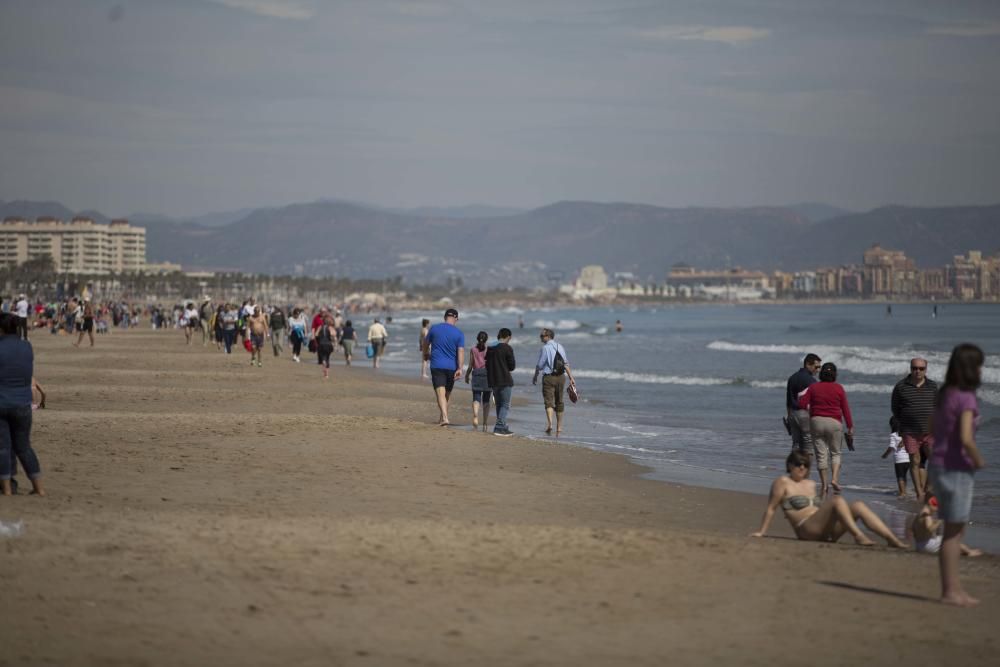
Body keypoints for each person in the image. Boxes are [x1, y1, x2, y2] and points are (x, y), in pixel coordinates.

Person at [928, 343, 988, 607]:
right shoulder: (966, 397)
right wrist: (979, 460)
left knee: (951, 531)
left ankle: (952, 589)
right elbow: (966, 438)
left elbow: (930, 426)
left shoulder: (944, 394)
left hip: (938, 464)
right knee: (954, 533)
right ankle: (951, 591)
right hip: (956, 468)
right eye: (978, 364)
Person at [751, 451, 905, 547]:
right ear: (790, 465)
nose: (802, 468)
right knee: (836, 500)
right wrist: (761, 532)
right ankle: (859, 536)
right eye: (798, 464)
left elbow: (821, 510)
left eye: (805, 465)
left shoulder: (811, 484)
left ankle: (892, 539)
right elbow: (771, 508)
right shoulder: (782, 482)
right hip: (806, 530)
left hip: (825, 530)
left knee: (858, 505)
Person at [0, 313, 45, 496]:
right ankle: (39, 488)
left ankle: (7, 489)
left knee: (3, 447)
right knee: (24, 447)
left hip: (2, 402)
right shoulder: (27, 346)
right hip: (23, 404)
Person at [798, 362, 852, 496]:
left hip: (816, 422)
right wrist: (850, 426)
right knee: (835, 453)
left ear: (821, 374)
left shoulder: (813, 387)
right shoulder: (839, 388)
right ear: (835, 374)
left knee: (821, 455)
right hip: (834, 423)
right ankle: (834, 479)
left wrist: (812, 407)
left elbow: (802, 403)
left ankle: (824, 485)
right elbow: (845, 409)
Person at [891, 357, 937, 500]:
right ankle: (919, 493)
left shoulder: (933, 386)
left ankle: (928, 488)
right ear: (910, 368)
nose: (917, 371)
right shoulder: (901, 386)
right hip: (909, 431)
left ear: (925, 370)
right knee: (915, 461)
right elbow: (895, 407)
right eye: (914, 368)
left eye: (921, 368)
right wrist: (903, 423)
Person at [422, 308, 465, 426]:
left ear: (444, 317)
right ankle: (443, 418)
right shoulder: (459, 333)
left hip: (437, 365)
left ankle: (444, 418)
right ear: (456, 318)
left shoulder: (434, 328)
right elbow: (461, 352)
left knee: (440, 394)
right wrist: (460, 368)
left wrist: (425, 354)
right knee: (447, 394)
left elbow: (425, 344)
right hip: (452, 367)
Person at [532, 328, 576, 436]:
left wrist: (536, 375)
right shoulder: (560, 346)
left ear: (548, 336)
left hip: (549, 377)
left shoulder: (545, 348)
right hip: (561, 377)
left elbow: (540, 365)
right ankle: (559, 427)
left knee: (548, 401)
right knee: (559, 401)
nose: (540, 337)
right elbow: (566, 363)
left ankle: (550, 424)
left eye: (542, 336)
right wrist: (571, 377)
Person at [912, 495, 982, 557]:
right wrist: (940, 520)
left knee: (942, 540)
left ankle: (958, 551)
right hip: (927, 546)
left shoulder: (919, 514)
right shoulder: (927, 516)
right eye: (937, 508)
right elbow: (930, 529)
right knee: (952, 539)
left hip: (919, 545)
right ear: (931, 505)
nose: (937, 511)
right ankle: (969, 552)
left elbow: (914, 528)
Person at [785, 353, 822, 453]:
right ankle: (805, 468)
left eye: (819, 367)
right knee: (808, 445)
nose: (818, 370)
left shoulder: (792, 378)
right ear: (808, 364)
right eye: (816, 367)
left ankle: (794, 467)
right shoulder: (812, 381)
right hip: (805, 414)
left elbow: (788, 400)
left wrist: (789, 417)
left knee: (796, 444)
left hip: (792, 414)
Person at [486, 328, 516, 437]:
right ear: (508, 337)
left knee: (499, 404)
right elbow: (512, 366)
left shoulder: (490, 348)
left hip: (493, 380)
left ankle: (502, 426)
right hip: (504, 379)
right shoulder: (507, 348)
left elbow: (487, 364)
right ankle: (499, 427)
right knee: (505, 404)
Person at [464, 331, 492, 432]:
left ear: (477, 338)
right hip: (487, 374)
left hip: (476, 373)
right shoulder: (489, 349)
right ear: (486, 339)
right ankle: (484, 423)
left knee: (476, 397)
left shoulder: (473, 349)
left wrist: (467, 375)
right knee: (486, 400)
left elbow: (470, 365)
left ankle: (475, 415)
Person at [881, 417, 909, 497]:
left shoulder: (893, 435)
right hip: (908, 459)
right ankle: (904, 491)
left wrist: (885, 455)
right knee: (904, 476)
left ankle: (902, 493)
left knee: (900, 476)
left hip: (899, 459)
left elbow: (892, 447)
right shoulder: (906, 434)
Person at [313, 314, 337, 379]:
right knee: (328, 357)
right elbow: (334, 334)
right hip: (328, 344)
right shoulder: (330, 327)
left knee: (323, 357)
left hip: (321, 344)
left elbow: (316, 334)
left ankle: (323, 361)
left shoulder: (320, 327)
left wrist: (318, 340)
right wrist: (334, 341)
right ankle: (326, 375)